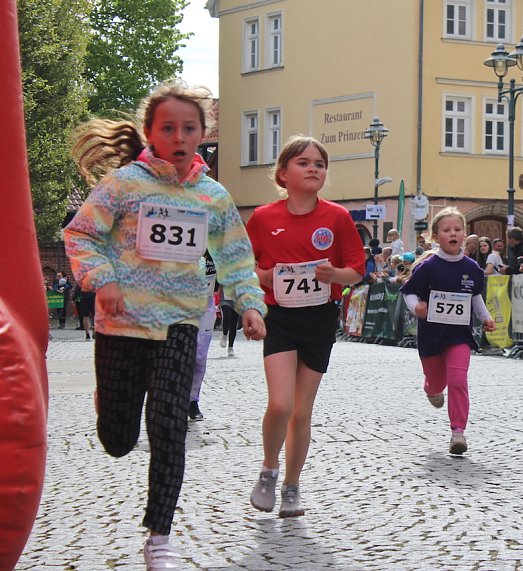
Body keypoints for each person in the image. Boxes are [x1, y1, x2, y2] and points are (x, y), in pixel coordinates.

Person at [63, 80, 267, 569]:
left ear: (202, 133)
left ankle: (160, 536)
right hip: (122, 324)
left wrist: (250, 304)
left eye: (189, 128)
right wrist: (103, 280)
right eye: (168, 128)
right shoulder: (123, 184)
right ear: (149, 132)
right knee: (118, 441)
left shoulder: (212, 196)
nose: (179, 137)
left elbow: (236, 257)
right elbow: (81, 234)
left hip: (180, 322)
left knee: (169, 426)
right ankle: (110, 397)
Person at [246, 135, 365, 519]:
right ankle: (269, 469)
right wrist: (263, 277)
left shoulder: (337, 217)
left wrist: (334, 275)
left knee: (301, 412)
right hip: (280, 317)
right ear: (283, 174)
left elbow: (356, 270)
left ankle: (292, 486)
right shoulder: (263, 218)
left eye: (320, 163)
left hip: (319, 319)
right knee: (281, 403)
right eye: (303, 162)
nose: (313, 168)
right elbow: (244, 267)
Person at [400, 207, 496, 455]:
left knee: (457, 380)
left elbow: (475, 296)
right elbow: (409, 292)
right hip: (431, 335)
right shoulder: (428, 267)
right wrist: (416, 308)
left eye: (457, 229)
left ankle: (458, 432)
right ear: (436, 236)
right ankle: (431, 388)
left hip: (459, 335)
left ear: (464, 234)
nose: (453, 234)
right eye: (446, 230)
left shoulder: (472, 268)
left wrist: (485, 317)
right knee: (438, 382)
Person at [190, 252, 218, 421]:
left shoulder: (216, 250)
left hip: (206, 307)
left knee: (200, 356)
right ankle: (178, 397)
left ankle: (193, 400)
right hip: (180, 306)